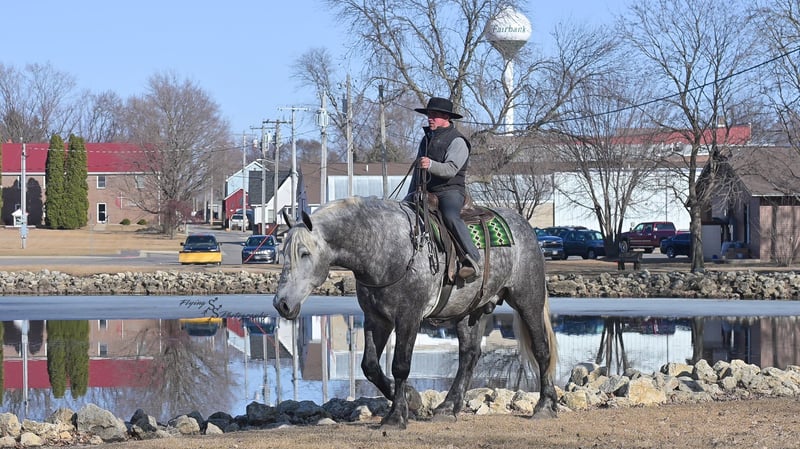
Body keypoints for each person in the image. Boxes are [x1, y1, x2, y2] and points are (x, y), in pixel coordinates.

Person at [407, 96, 481, 280]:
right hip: (426, 191)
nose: (430, 118)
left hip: (450, 191)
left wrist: (430, 164)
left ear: (446, 117)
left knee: (450, 216)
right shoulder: (426, 140)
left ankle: (472, 258)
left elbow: (450, 169)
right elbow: (417, 171)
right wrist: (409, 195)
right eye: (429, 115)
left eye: (434, 115)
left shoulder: (458, 141)